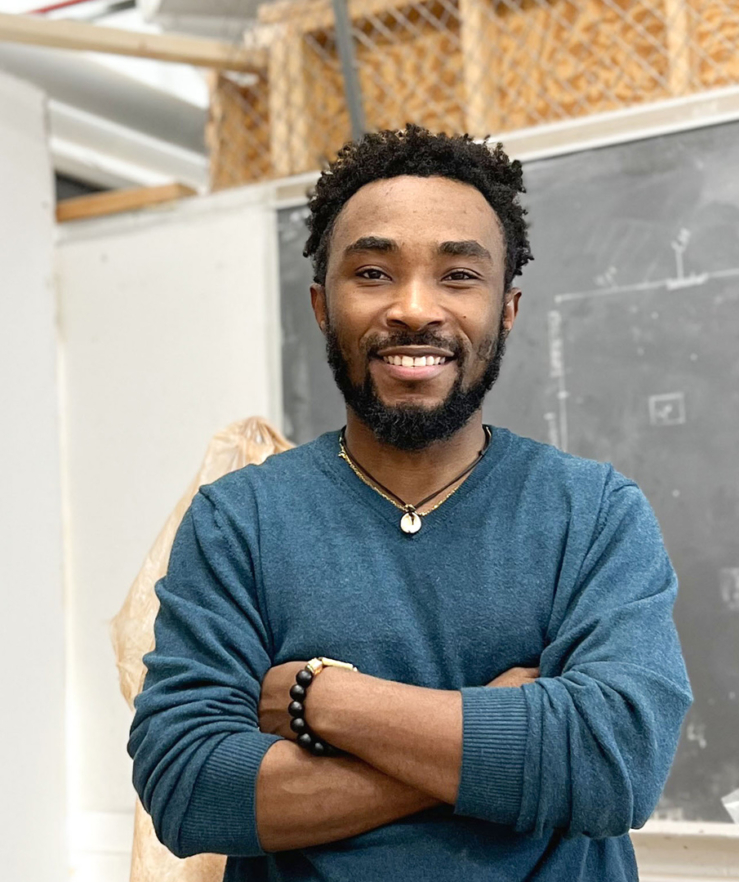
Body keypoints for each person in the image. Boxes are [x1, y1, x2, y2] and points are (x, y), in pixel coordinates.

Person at [128, 125, 692, 879]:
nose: (415, 308)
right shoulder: (239, 521)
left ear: (508, 309)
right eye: (373, 272)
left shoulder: (594, 513)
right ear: (323, 306)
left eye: (458, 275)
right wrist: (500, 737)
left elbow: (613, 763)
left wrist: (323, 700)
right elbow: (189, 791)